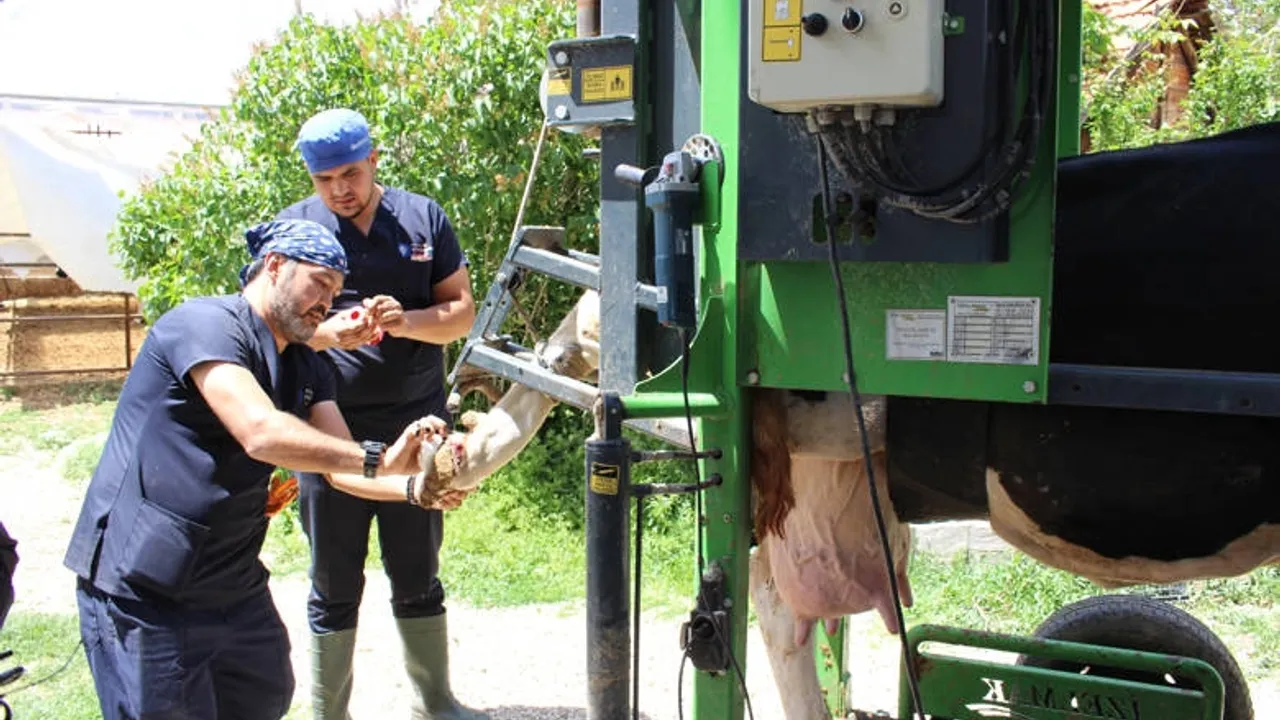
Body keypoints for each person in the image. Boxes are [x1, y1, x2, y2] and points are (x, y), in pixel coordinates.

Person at [62, 219, 458, 720]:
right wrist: (378, 457)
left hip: (232, 580)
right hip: (145, 584)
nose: (326, 302)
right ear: (274, 266)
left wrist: (416, 487)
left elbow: (339, 466)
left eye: (335, 291)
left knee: (265, 694)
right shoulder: (205, 325)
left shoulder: (307, 364)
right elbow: (261, 432)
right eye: (319, 283)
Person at [277, 108, 484, 720]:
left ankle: (435, 705)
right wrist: (326, 335)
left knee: (418, 574)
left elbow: (461, 314)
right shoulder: (296, 229)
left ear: (373, 159)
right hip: (327, 427)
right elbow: (274, 329)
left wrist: (405, 321)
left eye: (349, 173)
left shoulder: (423, 218)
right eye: (324, 179)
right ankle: (329, 713)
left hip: (417, 426)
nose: (339, 190)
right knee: (333, 583)